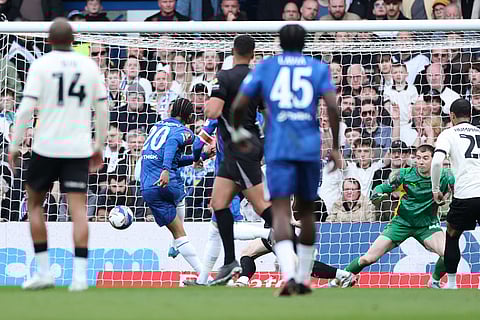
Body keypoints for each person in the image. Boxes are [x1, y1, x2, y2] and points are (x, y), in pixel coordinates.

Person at [231, 24, 341, 296]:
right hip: (307, 146)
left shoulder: (267, 67)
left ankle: (290, 277)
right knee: (304, 213)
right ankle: (303, 279)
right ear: (305, 43)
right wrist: (336, 147)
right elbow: (332, 106)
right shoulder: (317, 68)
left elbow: (238, 105)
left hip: (279, 146)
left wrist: (238, 134)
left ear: (279, 42)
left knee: (280, 211)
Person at [8, 18, 109, 291]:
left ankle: (43, 272)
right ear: (73, 40)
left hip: (45, 147)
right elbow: (102, 110)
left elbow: (25, 110)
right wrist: (98, 145)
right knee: (78, 211)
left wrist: (15, 145)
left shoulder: (41, 65)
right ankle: (79, 278)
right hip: (77, 148)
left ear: (49, 40)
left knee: (34, 205)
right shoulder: (89, 66)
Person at [204, 35, 274, 286]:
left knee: (260, 206)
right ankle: (230, 262)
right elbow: (268, 114)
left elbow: (212, 111)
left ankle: (293, 242)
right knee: (218, 203)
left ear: (233, 51)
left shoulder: (224, 77)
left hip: (240, 147)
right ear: (253, 54)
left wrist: (214, 100)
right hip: (245, 146)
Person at [344, 145, 454, 289]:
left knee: (449, 254)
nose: (420, 162)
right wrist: (377, 195)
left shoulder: (446, 176)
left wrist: (446, 198)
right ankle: (339, 278)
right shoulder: (404, 174)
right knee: (367, 258)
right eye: (418, 158)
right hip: (401, 223)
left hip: (427, 225)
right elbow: (380, 189)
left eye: (425, 158)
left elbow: (458, 193)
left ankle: (434, 281)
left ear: (435, 160)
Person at [140, 98, 203, 275]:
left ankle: (176, 244)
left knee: (178, 232)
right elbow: (172, 144)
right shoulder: (184, 131)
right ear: (190, 116)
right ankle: (203, 275)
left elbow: (171, 157)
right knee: (180, 223)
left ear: (171, 111)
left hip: (148, 186)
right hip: (168, 182)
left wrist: (198, 158)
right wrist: (166, 170)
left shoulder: (156, 127)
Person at [431, 98, 480, 290]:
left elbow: (436, 162)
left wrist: (435, 189)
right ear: (470, 115)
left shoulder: (448, 134)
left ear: (451, 116)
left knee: (452, 235)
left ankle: (451, 283)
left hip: (466, 194)